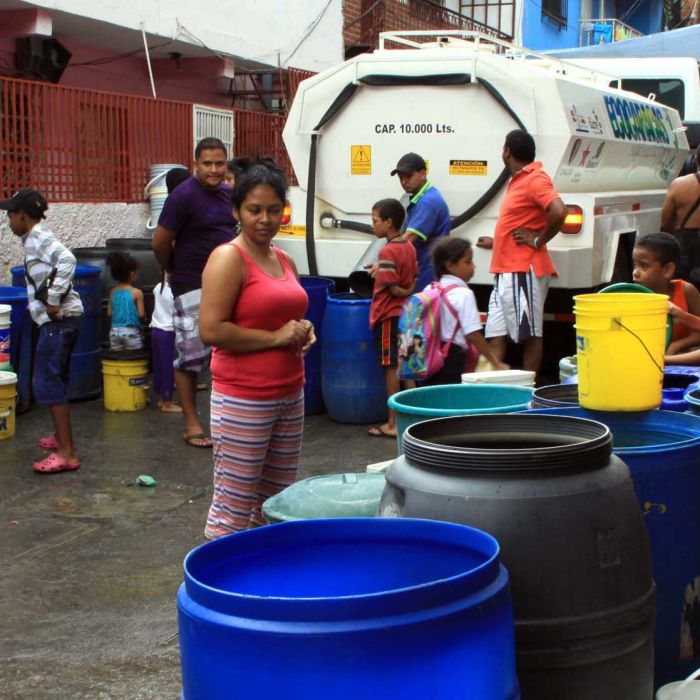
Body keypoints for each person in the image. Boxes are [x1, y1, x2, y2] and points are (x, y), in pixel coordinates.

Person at [199, 159, 315, 538]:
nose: (264, 219)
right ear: (236, 210)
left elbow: (284, 316)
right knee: (233, 509)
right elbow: (211, 329)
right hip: (244, 400)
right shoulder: (229, 258)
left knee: (274, 503)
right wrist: (276, 338)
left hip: (288, 395)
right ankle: (217, 593)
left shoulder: (283, 259)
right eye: (253, 210)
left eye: (272, 210)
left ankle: (258, 588)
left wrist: (303, 330)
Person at [152, 137, 237, 448]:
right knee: (190, 355)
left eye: (220, 163)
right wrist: (173, 270)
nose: (214, 170)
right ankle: (191, 424)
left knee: (227, 352)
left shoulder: (230, 195)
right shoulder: (183, 196)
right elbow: (160, 242)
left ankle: (227, 420)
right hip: (191, 283)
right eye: (207, 164)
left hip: (227, 283)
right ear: (195, 164)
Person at [1, 189, 83, 473]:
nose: (9, 221)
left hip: (59, 321)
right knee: (54, 380)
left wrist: (53, 298)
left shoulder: (37, 237)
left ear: (23, 215)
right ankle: (61, 439)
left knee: (47, 383)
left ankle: (67, 453)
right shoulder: (33, 238)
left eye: (11, 215)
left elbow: (69, 260)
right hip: (63, 321)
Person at [477, 129, 567, 375]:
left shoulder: (535, 178)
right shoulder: (518, 179)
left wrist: (538, 240)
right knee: (495, 334)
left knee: (530, 334)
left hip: (521, 269)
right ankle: (489, 389)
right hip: (505, 270)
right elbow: (519, 222)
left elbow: (559, 211)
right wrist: (497, 241)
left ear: (507, 151)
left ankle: (529, 394)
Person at [422, 237, 510, 385]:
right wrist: (495, 362)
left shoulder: (429, 289)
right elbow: (473, 335)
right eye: (468, 262)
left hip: (428, 356)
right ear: (450, 265)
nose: (473, 267)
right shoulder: (464, 294)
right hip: (452, 359)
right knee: (451, 404)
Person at [366, 198, 417, 439]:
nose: (373, 225)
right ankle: (412, 420)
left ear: (388, 223)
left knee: (391, 368)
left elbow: (393, 287)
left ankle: (393, 422)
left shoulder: (388, 250)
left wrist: (401, 290)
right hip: (406, 315)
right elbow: (413, 278)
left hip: (388, 315)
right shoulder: (408, 246)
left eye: (375, 221)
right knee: (407, 368)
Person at [631, 233, 700, 363]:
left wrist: (677, 345)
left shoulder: (686, 291)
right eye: (635, 264)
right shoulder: (631, 297)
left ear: (667, 269)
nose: (635, 271)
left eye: (644, 266)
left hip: (682, 366)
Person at [391, 152, 450, 291]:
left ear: (423, 173)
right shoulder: (424, 196)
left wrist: (384, 262)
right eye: (401, 178)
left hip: (427, 279)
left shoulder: (427, 202)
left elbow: (408, 239)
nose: (404, 182)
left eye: (409, 176)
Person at [661, 144, 700, 280]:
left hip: (685, 247)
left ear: (695, 161)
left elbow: (665, 223)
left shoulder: (680, 185)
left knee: (683, 291)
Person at [150, 278, 181, 412]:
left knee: (159, 366)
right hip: (168, 332)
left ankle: (160, 398)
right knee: (168, 368)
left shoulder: (158, 287)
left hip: (156, 329)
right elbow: (178, 312)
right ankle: (167, 402)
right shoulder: (174, 291)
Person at [106, 251, 145, 351]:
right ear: (132, 274)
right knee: (134, 359)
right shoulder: (137, 292)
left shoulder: (112, 292)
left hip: (114, 332)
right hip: (131, 331)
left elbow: (109, 313)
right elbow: (141, 314)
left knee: (119, 360)